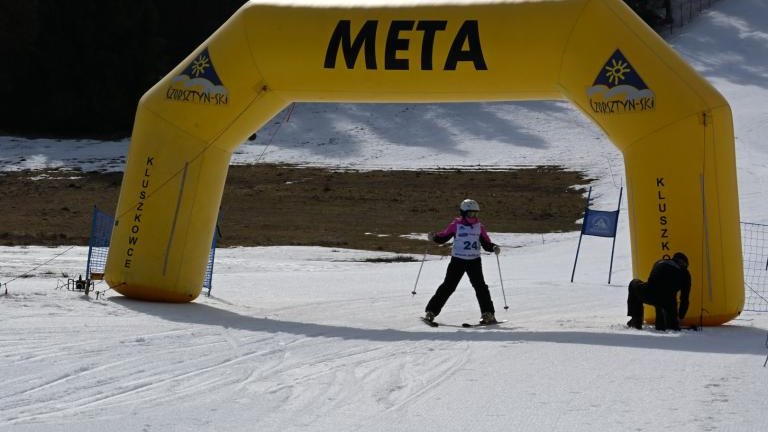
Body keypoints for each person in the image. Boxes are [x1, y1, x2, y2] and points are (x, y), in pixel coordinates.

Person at [424, 199, 501, 325]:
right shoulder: (455, 225)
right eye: (471, 213)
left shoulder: (479, 227)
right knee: (448, 286)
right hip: (457, 261)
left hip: (474, 261)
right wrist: (434, 237)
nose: (473, 216)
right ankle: (431, 312)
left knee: (480, 287)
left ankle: (488, 314)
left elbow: (486, 243)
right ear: (463, 213)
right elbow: (443, 237)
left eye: (476, 214)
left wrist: (494, 247)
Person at [626, 252, 691, 331]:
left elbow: (655, 284)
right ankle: (665, 323)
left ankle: (636, 320)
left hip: (650, 293)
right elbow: (684, 298)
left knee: (634, 284)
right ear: (684, 263)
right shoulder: (685, 273)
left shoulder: (660, 262)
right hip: (668, 301)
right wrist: (681, 317)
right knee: (671, 325)